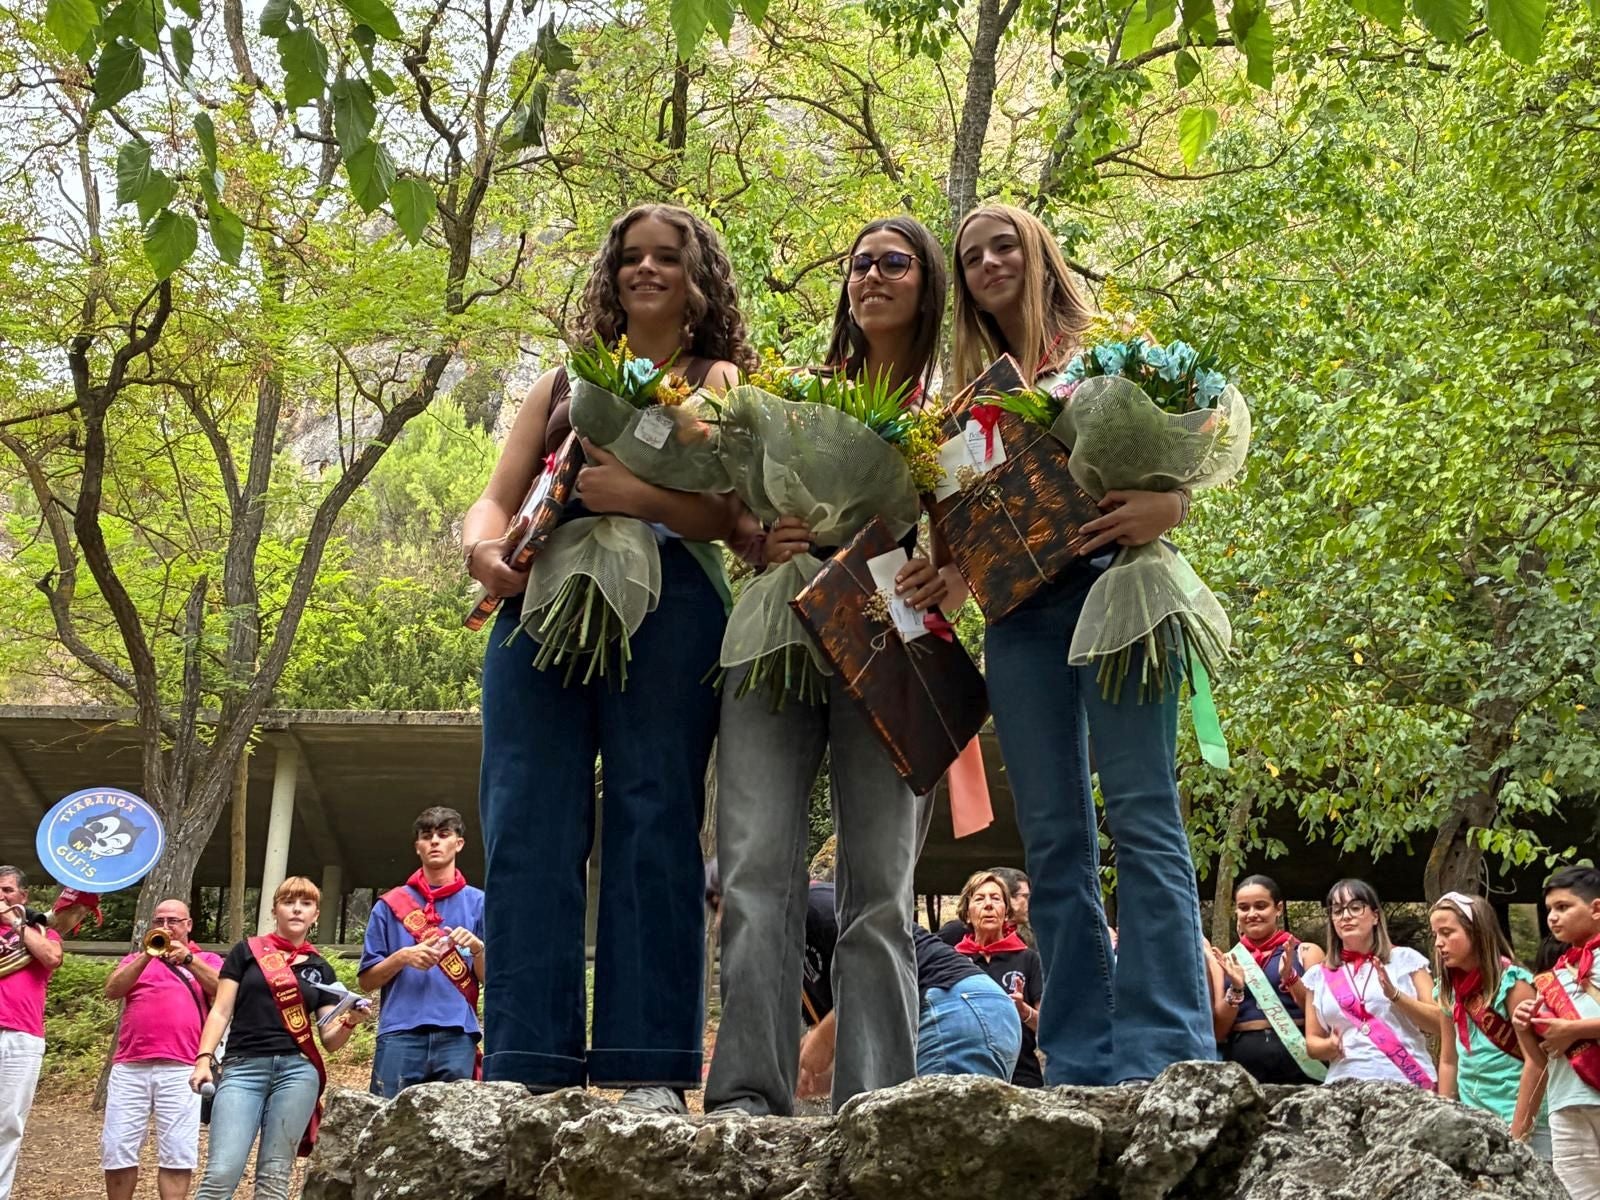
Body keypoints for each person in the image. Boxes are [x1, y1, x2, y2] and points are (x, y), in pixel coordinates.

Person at [465, 204, 752, 1113]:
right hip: (541, 603)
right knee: (528, 824)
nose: (647, 270)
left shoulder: (722, 382)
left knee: (654, 819)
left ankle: (648, 1065)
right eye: (632, 258)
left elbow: (733, 518)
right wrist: (481, 552)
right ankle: (525, 1062)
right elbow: (493, 500)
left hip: (672, 603)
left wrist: (637, 495)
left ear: (699, 276)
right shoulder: (559, 382)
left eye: (668, 257)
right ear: (611, 273)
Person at [947, 203, 1212, 1085]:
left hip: (1122, 594)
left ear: (1038, 251)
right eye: (972, 255)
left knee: (1144, 814)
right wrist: (945, 573)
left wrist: (1168, 507)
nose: (989, 261)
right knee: (1055, 839)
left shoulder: (1113, 358)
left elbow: (1186, 460)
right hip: (1019, 623)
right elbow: (958, 532)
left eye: (1003, 244)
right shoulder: (963, 407)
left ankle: (1169, 1045)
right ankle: (1081, 1055)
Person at [708, 216, 949, 1118]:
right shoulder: (793, 401)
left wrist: (947, 572)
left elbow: (978, 539)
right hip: (779, 628)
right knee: (754, 869)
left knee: (880, 886)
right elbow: (730, 513)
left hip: (893, 635)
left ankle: (878, 1100)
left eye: (895, 263)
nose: (872, 275)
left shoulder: (955, 409)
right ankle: (744, 1096)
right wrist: (760, 534)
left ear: (926, 285)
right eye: (858, 263)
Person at [189, 877, 369, 1200]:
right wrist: (204, 1058)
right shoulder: (246, 952)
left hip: (297, 1073)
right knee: (221, 1173)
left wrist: (350, 1021)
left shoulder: (320, 968)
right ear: (275, 910)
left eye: (306, 903)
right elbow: (221, 1010)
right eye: (289, 901)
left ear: (316, 914)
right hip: (242, 1068)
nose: (297, 909)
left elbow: (328, 1037)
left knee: (274, 1178)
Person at [359, 806, 487, 1097]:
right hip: (399, 1032)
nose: (435, 842)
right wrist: (403, 956)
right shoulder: (389, 906)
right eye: (427, 836)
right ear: (417, 846)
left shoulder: (479, 903)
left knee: (455, 1130)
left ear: (459, 843)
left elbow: (491, 978)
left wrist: (478, 949)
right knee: (385, 1127)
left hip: (458, 1032)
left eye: (444, 835)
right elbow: (366, 982)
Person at [101, 899, 223, 1200]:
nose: (165, 927)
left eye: (173, 921)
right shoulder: (136, 958)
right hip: (130, 1065)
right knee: (118, 1149)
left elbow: (223, 991)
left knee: (178, 1153)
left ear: (188, 925)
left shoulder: (207, 958)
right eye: (159, 921)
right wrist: (147, 955)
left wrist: (189, 960)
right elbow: (112, 990)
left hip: (184, 1065)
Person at [1430, 891, 1547, 1156]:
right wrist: (1443, 1120)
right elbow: (1449, 1059)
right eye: (1435, 934)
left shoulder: (1513, 984)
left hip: (1524, 1118)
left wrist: (1518, 1136)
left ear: (1476, 932)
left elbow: (1537, 1061)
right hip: (1475, 1117)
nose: (1439, 943)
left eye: (1447, 933)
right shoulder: (1448, 991)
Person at [1514, 865, 1600, 1198]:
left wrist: (1573, 1029)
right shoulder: (1555, 976)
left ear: (1595, 908)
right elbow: (1539, 1057)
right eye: (1550, 909)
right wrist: (1524, 1027)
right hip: (1565, 1102)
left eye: (1563, 907)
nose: (1553, 917)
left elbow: (1566, 1033)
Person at [1302, 878, 1435, 1087]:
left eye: (1355, 907)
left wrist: (1396, 996)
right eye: (1337, 911)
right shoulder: (1318, 975)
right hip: (1344, 1085)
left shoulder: (1406, 960)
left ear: (1375, 916)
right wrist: (1328, 1046)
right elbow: (1312, 1042)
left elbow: (1438, 1023)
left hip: (1407, 1083)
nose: (1346, 916)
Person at [1210, 874, 1326, 1085]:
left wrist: (1290, 977)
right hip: (1242, 1062)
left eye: (1261, 906)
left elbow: (1321, 1016)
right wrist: (1236, 987)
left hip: (1299, 1059)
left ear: (1278, 908)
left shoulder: (1306, 952)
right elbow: (1219, 1031)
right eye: (1244, 908)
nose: (1252, 914)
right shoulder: (1226, 961)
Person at [0, 867, 62, 1200]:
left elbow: (52, 958)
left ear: (23, 896)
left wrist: (14, 923)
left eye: (8, 890)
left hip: (21, 1036)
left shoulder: (39, 932)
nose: (1, 896)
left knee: (8, 1123)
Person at [949, 870, 1043, 1087]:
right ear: (967, 913)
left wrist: (1023, 1011)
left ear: (1006, 912)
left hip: (1022, 1076)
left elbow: (1045, 1027)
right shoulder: (952, 960)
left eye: (996, 899)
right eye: (980, 899)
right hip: (964, 1075)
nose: (989, 905)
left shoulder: (1028, 958)